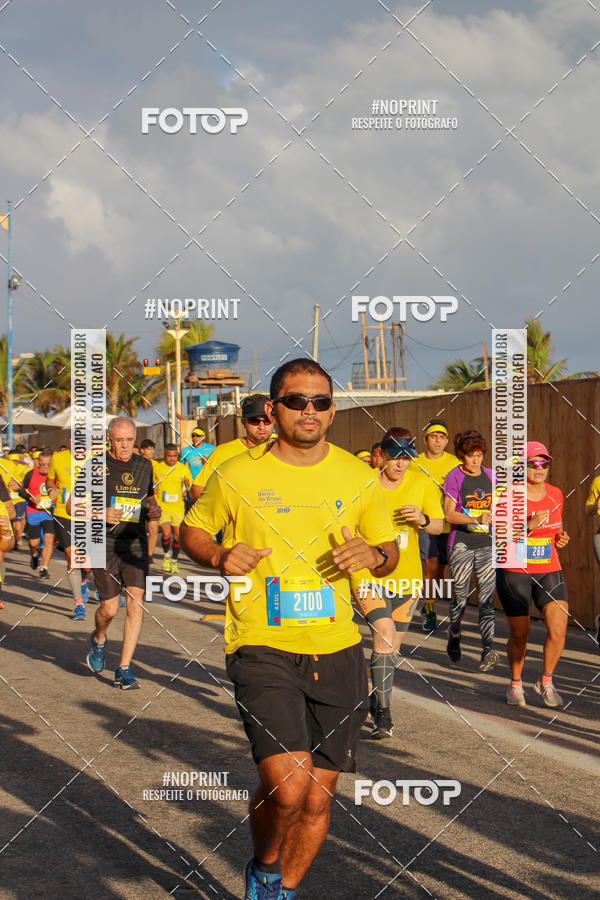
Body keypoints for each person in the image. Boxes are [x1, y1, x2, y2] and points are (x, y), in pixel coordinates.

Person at [181, 358, 398, 900]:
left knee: (319, 799)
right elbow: (193, 531)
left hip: (339, 648)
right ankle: (264, 865)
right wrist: (220, 554)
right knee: (288, 787)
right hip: (261, 642)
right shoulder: (236, 473)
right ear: (273, 407)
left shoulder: (356, 475)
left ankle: (282, 891)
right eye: (297, 401)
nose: (309, 411)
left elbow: (389, 550)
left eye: (321, 402)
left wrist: (373, 553)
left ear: (331, 411)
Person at [352, 428, 443, 738]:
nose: (402, 464)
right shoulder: (364, 485)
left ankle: (377, 699)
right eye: (396, 458)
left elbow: (440, 524)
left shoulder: (421, 483)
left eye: (407, 458)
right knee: (384, 633)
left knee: (390, 650)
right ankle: (384, 716)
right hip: (369, 575)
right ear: (382, 456)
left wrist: (423, 519)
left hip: (407, 577)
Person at [68, 416, 161, 690]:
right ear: (109, 438)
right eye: (119, 440)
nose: (124, 446)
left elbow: (150, 500)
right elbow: (71, 505)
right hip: (103, 544)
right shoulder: (96, 465)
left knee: (135, 603)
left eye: (129, 440)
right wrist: (100, 513)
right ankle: (98, 639)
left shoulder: (145, 465)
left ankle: (123, 668)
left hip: (134, 544)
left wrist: (155, 511)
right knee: (109, 608)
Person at [497, 442, 570, 707]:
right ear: (521, 467)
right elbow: (499, 535)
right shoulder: (508, 496)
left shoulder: (556, 494)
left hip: (549, 569)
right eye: (532, 464)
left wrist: (560, 538)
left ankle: (546, 681)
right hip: (515, 570)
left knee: (558, 628)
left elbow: (556, 530)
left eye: (544, 464)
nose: (539, 469)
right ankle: (515, 685)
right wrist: (528, 525)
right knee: (520, 634)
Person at [443, 431, 498, 671]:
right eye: (471, 456)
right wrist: (476, 518)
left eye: (479, 455)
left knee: (487, 599)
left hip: (486, 545)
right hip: (461, 544)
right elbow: (448, 514)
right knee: (461, 599)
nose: (476, 461)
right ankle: (454, 631)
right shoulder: (454, 477)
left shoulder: (491, 476)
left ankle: (488, 650)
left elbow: (498, 509)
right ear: (461, 456)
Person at [413, 419, 459, 632]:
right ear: (425, 440)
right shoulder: (415, 462)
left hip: (451, 525)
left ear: (447, 441)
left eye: (442, 437)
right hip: (428, 524)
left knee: (448, 572)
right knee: (431, 570)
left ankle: (449, 613)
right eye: (433, 437)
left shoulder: (454, 463)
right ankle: (430, 611)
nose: (438, 441)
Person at [189, 395, 274, 501]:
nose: (262, 426)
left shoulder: (284, 446)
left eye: (267, 420)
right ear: (243, 422)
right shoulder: (222, 453)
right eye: (254, 421)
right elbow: (196, 491)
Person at [46, 443, 92, 620]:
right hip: (63, 514)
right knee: (72, 558)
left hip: (87, 515)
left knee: (87, 566)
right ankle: (78, 604)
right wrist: (51, 489)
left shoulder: (95, 459)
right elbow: (50, 480)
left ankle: (83, 580)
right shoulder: (58, 457)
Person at [153, 443, 190, 573]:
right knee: (166, 533)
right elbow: (151, 484)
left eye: (175, 456)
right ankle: (166, 555)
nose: (172, 459)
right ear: (165, 455)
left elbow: (188, 483)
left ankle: (174, 560)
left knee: (177, 536)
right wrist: (153, 489)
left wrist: (187, 486)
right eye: (170, 456)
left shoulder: (183, 468)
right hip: (162, 507)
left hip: (178, 508)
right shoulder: (158, 468)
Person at [20, 448, 55, 578]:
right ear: (37, 463)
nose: (45, 467)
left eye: (48, 464)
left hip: (49, 512)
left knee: (48, 540)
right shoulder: (31, 474)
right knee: (33, 543)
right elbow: (22, 490)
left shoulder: (54, 475)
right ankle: (34, 555)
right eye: (43, 464)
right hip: (33, 511)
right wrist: (31, 497)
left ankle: (44, 567)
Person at [140, 439, 160, 562]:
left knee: (153, 529)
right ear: (142, 450)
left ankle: (149, 555)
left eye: (152, 448)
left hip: (153, 500)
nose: (151, 451)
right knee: (141, 529)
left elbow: (161, 479)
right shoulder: (138, 463)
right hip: (140, 502)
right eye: (148, 449)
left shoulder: (157, 465)